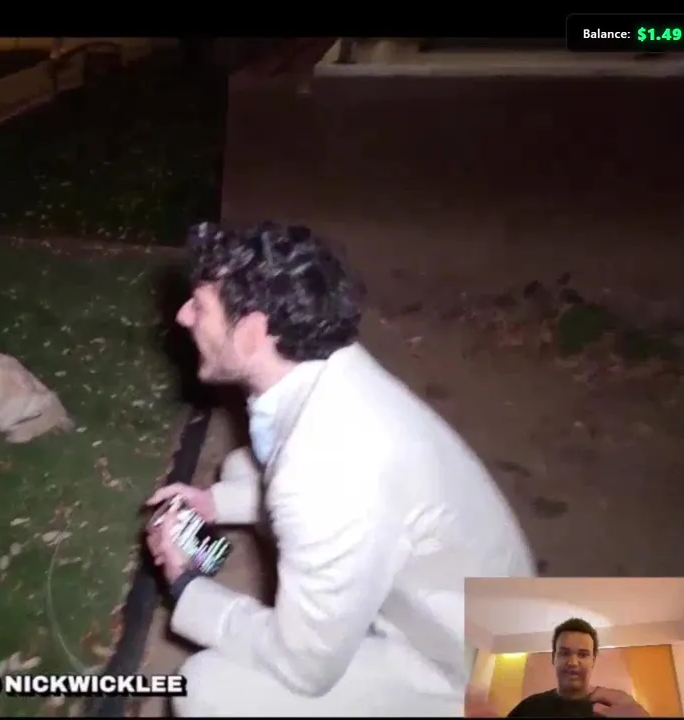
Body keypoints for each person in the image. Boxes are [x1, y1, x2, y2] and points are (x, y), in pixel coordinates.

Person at [144, 221, 536, 716]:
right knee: (242, 469)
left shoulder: (324, 472)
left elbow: (304, 668)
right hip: (473, 602)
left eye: (200, 307)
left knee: (203, 687)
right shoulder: (327, 362)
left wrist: (186, 585)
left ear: (250, 336)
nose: (183, 316)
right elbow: (308, 480)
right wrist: (212, 504)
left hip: (476, 670)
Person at [502, 618, 650, 718]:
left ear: (593, 661)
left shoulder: (615, 707)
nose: (573, 662)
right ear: (553, 658)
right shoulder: (529, 708)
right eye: (565, 653)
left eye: (583, 654)